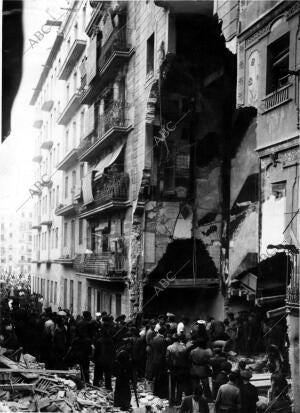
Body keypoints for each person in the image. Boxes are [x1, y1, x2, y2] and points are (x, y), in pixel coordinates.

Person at [166, 334, 190, 405]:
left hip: (173, 369)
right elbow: (186, 359)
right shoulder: (183, 347)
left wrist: (169, 368)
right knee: (180, 386)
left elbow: (167, 359)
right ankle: (178, 401)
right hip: (182, 369)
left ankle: (172, 401)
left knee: (172, 386)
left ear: (172, 340)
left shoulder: (169, 348)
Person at [114, 339, 134, 411]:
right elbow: (125, 363)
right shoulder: (123, 352)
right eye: (129, 344)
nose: (130, 346)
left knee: (120, 390)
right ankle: (125, 405)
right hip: (123, 374)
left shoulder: (123, 351)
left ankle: (119, 403)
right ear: (126, 344)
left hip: (121, 374)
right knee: (125, 391)